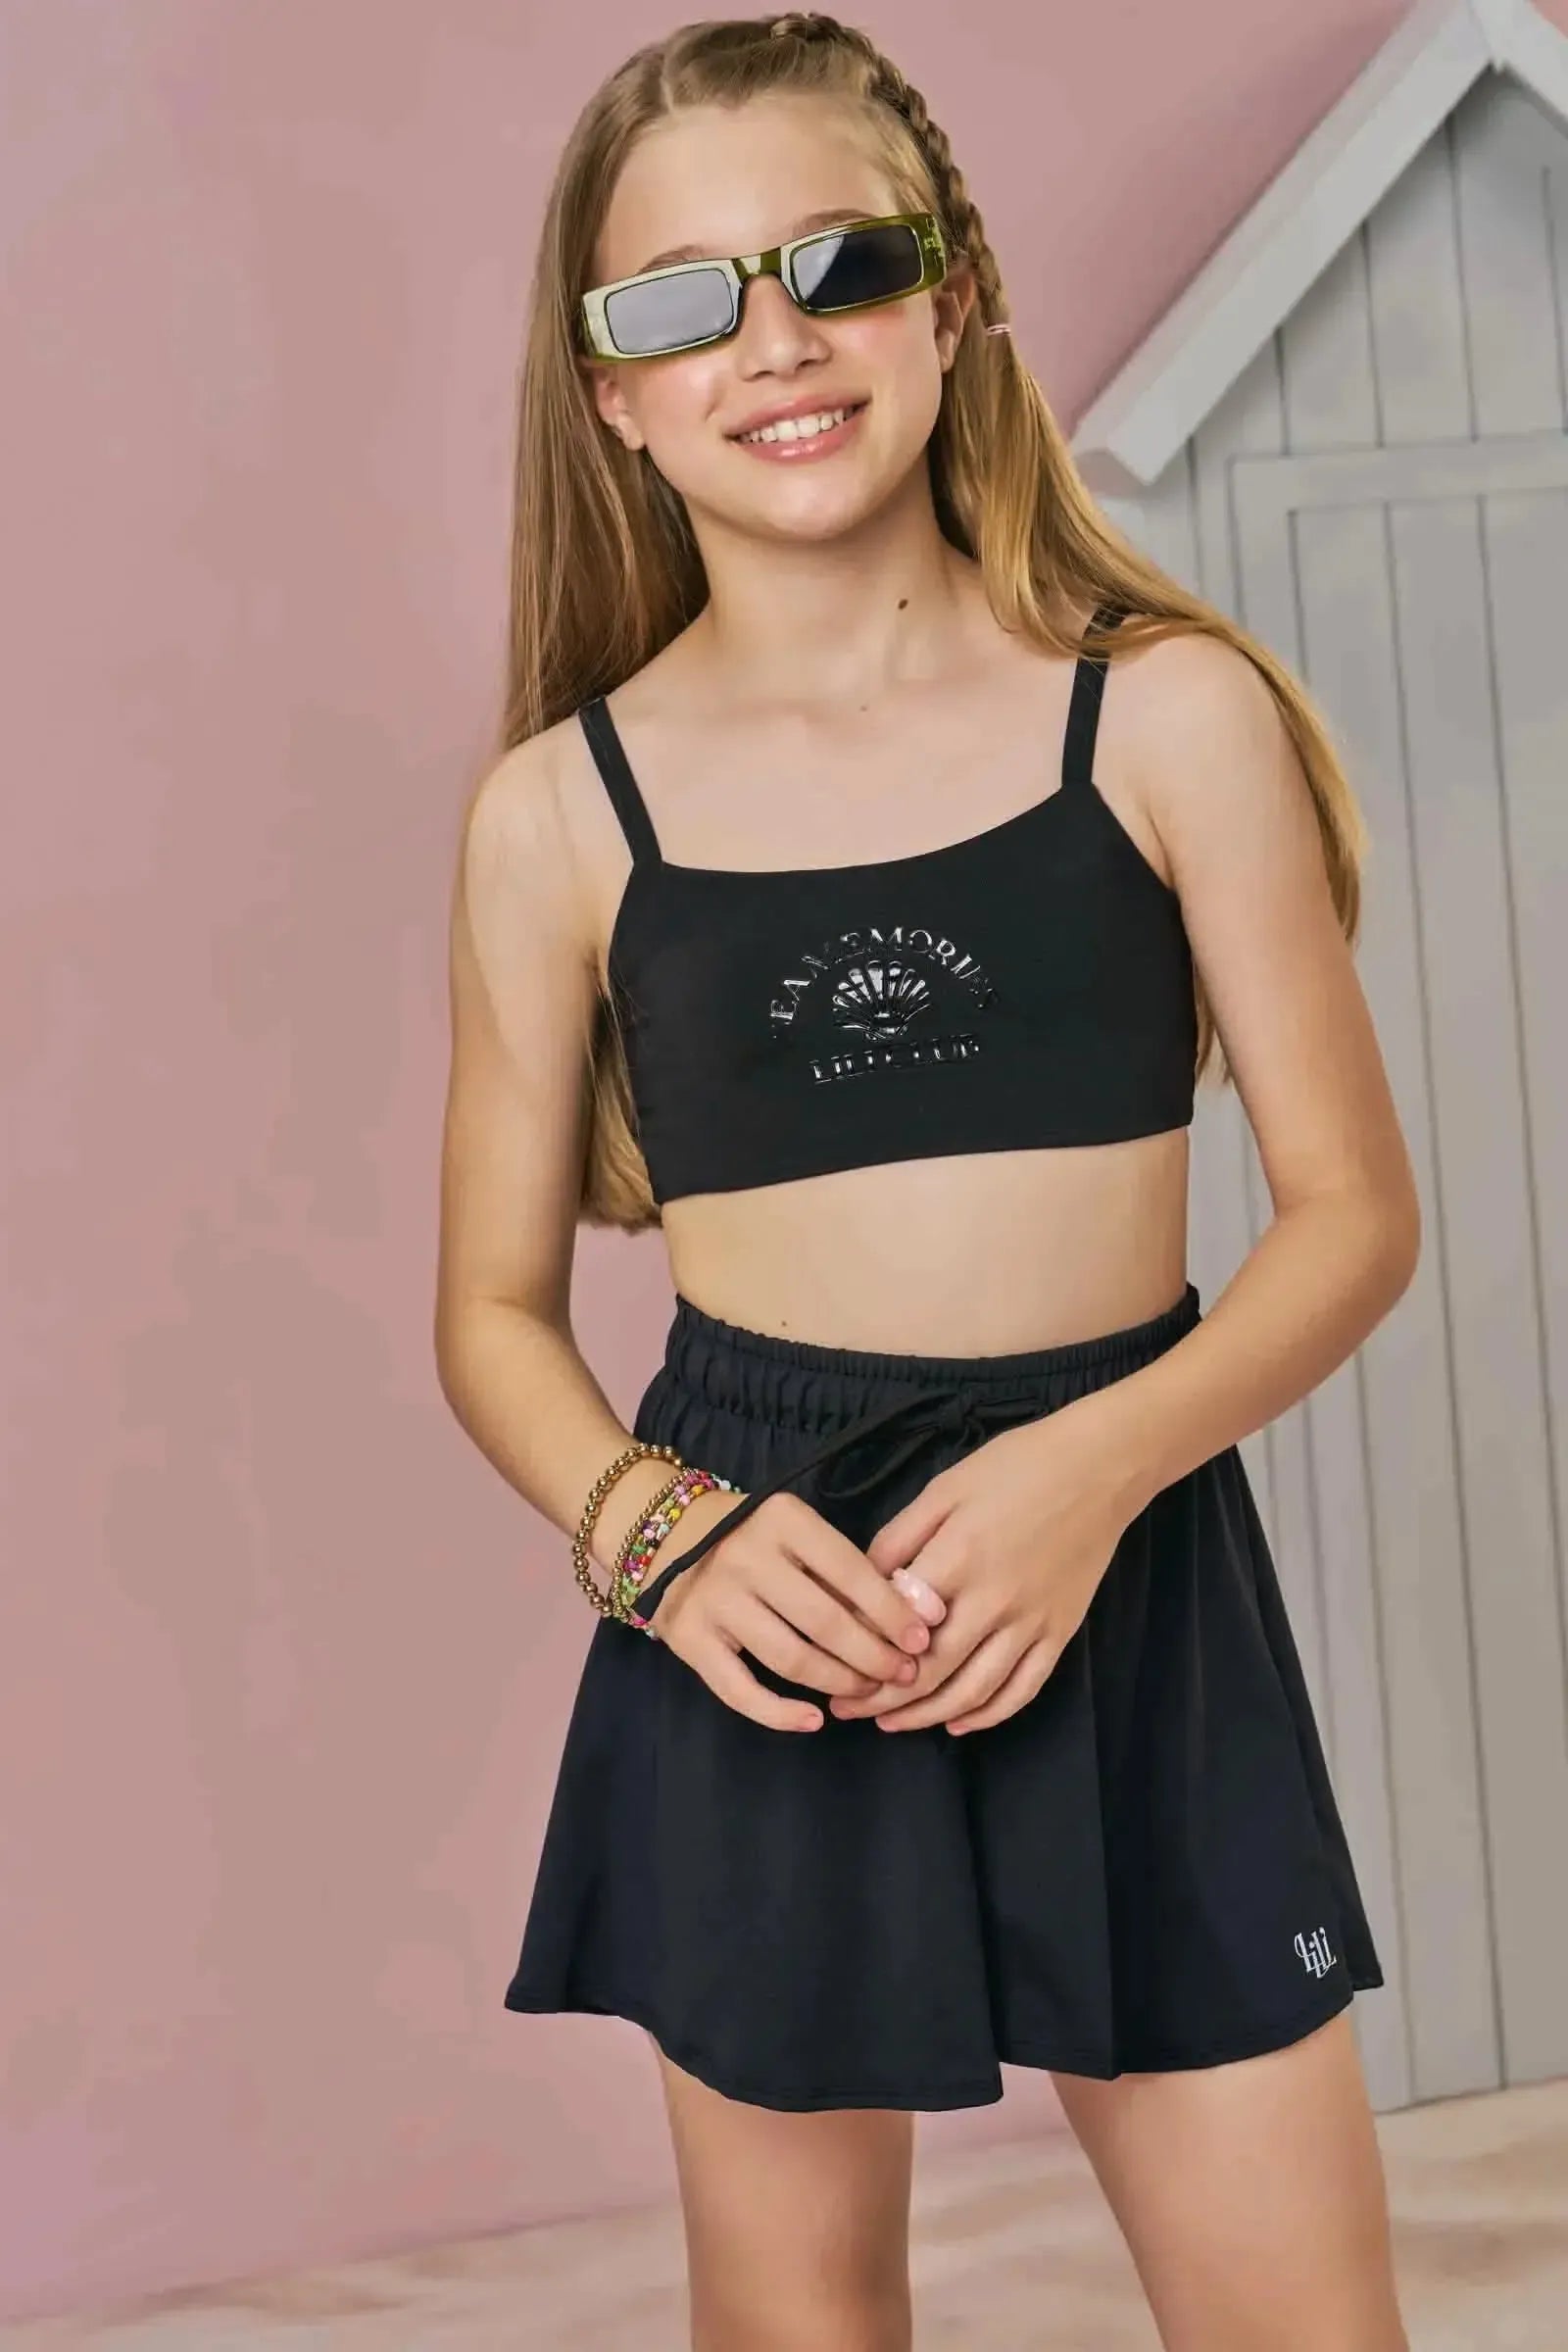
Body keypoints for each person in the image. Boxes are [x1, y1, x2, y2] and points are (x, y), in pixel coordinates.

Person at [434, 14, 1420, 2349]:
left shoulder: (1160, 715)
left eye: (838, 263)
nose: (771, 342)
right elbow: (488, 1314)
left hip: (1127, 1558)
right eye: (679, 299)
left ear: (951, 293)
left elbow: (1350, 1218)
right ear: (607, 389)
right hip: (755, 1598)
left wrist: (1093, 1469)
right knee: (795, 2323)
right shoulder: (562, 814)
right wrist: (664, 1542)